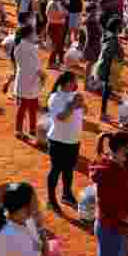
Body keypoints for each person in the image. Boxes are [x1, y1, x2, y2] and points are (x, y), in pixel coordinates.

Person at [45, 71, 85, 211]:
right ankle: (51, 199)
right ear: (67, 82)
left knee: (68, 169)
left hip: (73, 141)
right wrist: (74, 104)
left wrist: (80, 103)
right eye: (74, 81)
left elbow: (80, 111)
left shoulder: (74, 96)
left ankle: (66, 195)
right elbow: (62, 118)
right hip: (58, 141)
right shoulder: (55, 98)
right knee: (56, 169)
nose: (76, 84)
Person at [13, 24, 44, 139]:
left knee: (26, 106)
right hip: (31, 80)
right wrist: (42, 75)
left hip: (24, 80)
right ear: (29, 35)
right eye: (34, 33)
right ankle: (26, 129)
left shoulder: (19, 46)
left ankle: (24, 129)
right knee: (30, 107)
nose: (35, 35)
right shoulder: (30, 48)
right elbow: (36, 66)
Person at [94, 16, 125, 123]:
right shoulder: (113, 40)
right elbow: (111, 53)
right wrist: (119, 53)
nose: (122, 27)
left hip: (105, 66)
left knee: (107, 91)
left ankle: (103, 113)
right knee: (107, 91)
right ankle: (102, 114)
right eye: (120, 25)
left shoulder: (108, 36)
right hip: (108, 67)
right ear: (116, 27)